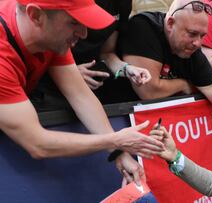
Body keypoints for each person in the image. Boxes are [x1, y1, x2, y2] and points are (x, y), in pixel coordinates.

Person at [0, 0, 164, 185]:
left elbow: (80, 95)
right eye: (74, 22)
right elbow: (37, 144)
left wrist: (119, 152)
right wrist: (115, 141)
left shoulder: (49, 35)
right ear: (36, 16)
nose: (84, 33)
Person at [30, 0, 152, 110]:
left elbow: (107, 52)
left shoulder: (122, 4)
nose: (83, 33)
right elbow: (44, 41)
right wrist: (70, 73)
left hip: (91, 85)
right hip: (50, 83)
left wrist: (126, 68)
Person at [121, 0, 212, 107]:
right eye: (192, 33)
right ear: (170, 24)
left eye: (202, 36)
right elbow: (149, 91)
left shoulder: (192, 50)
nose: (198, 43)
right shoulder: (144, 26)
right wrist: (183, 85)